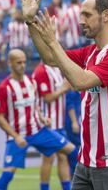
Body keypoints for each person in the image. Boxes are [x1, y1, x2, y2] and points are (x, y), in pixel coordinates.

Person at [18, 0, 108, 189]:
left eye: (87, 15)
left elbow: (80, 82)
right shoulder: (89, 52)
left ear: (106, 15)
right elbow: (49, 58)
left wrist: (53, 42)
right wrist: (30, 21)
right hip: (86, 159)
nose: (81, 21)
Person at [0, 49, 78, 190]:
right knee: (8, 174)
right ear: (10, 63)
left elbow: (35, 104)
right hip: (17, 136)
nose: (22, 65)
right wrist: (15, 136)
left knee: (72, 151)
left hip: (38, 131)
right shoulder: (4, 88)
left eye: (24, 62)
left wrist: (41, 117)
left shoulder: (30, 81)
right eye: (18, 62)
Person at [32, 62, 72, 190]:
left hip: (59, 123)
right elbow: (47, 98)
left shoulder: (55, 68)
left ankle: (66, 187)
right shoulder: (41, 71)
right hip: (48, 122)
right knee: (49, 157)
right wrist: (65, 88)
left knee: (62, 156)